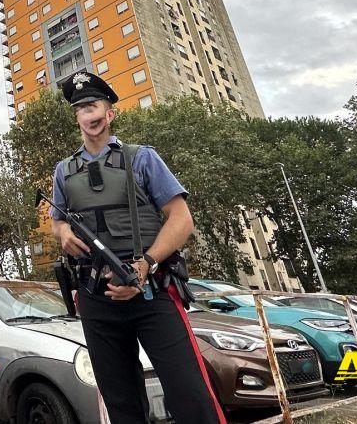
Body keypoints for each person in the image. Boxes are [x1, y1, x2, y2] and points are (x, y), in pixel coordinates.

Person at [50, 70, 226, 424]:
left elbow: (181, 219)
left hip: (152, 292)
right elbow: (57, 220)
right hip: (97, 298)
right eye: (82, 108)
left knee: (189, 392)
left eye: (95, 105)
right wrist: (63, 231)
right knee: (121, 403)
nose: (90, 113)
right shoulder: (63, 171)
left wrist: (145, 264)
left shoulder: (143, 158)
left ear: (110, 113)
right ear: (77, 117)